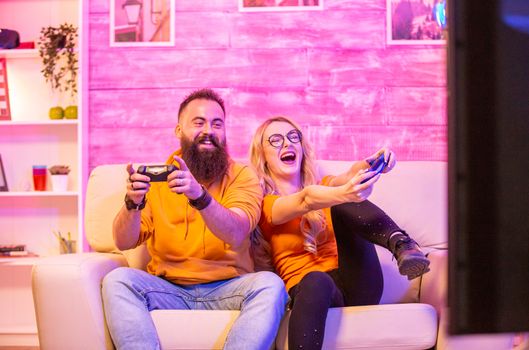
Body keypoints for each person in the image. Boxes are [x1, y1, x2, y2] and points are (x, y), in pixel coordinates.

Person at [102, 89, 288, 350]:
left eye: (217, 124)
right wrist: (132, 203)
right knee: (117, 280)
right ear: (179, 130)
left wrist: (199, 196)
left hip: (229, 287)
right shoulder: (157, 180)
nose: (208, 131)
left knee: (271, 285)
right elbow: (123, 241)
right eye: (198, 122)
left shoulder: (242, 176)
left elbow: (236, 231)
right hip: (168, 288)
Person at [249, 115, 430, 350]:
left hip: (357, 283)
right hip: (312, 292)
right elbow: (306, 199)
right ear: (262, 155)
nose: (287, 143)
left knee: (342, 199)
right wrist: (344, 192)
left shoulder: (327, 185)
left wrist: (372, 163)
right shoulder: (265, 205)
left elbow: (349, 176)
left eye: (294, 137)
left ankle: (403, 245)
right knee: (316, 279)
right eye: (275, 140)